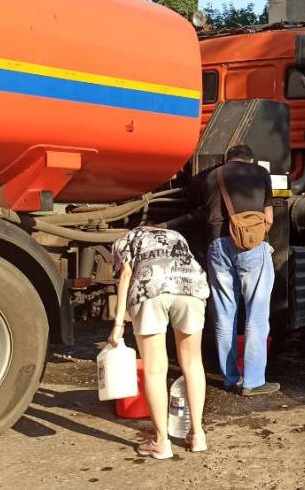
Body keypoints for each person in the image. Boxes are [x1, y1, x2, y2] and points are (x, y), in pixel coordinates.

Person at [108, 226, 211, 459]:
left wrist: (118, 324)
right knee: (193, 364)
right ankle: (197, 435)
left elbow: (125, 274)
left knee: (155, 370)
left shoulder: (126, 240)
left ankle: (161, 442)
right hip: (190, 288)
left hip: (150, 290)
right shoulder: (178, 234)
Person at [204, 144, 279, 396]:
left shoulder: (213, 176)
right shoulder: (260, 173)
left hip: (217, 246)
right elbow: (268, 218)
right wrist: (252, 238)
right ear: (250, 158)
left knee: (224, 315)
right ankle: (254, 381)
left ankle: (229, 378)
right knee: (256, 315)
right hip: (251, 246)